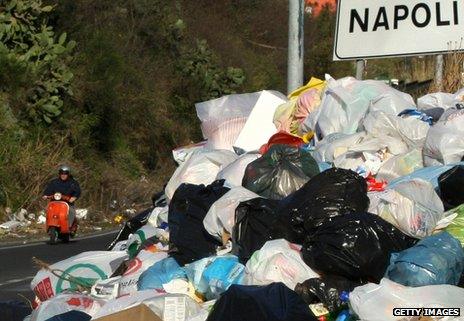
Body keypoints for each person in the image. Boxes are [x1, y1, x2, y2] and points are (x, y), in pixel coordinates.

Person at [43, 165, 81, 231]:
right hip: (54, 203)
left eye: (65, 173)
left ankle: (69, 226)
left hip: (67, 203)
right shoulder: (54, 182)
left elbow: (78, 191)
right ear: (59, 173)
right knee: (48, 211)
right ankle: (48, 225)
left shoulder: (73, 182)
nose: (63, 175)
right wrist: (45, 195)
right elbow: (48, 190)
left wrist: (74, 197)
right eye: (61, 173)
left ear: (68, 174)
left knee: (71, 212)